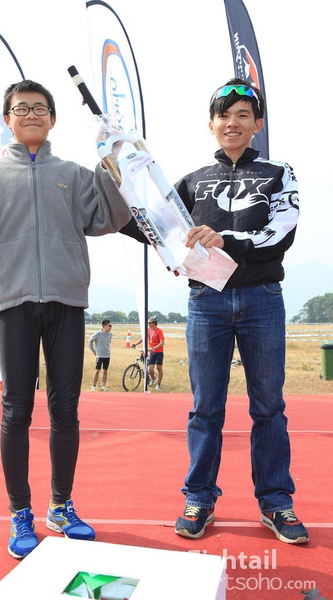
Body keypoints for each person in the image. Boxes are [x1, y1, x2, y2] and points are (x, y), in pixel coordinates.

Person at [0, 80, 131, 559]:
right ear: (7, 119)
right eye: (20, 108)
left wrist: (111, 167)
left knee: (66, 410)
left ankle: (61, 506)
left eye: (39, 108)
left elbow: (109, 219)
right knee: (16, 411)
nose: (30, 114)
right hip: (13, 303)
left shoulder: (74, 173)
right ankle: (20, 512)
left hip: (67, 300)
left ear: (53, 119)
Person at [173, 78, 308, 545]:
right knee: (204, 408)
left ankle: (276, 502)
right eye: (224, 115)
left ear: (257, 124)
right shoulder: (191, 181)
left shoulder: (279, 173)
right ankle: (199, 498)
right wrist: (119, 179)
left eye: (242, 116)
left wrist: (226, 240)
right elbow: (157, 227)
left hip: (262, 299)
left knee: (269, 407)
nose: (232, 123)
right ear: (210, 124)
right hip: (205, 301)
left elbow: (282, 232)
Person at [134, 316, 165, 390]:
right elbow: (143, 339)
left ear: (154, 323)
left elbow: (162, 343)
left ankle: (159, 384)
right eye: (148, 323)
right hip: (152, 352)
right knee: (150, 369)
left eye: (150, 323)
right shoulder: (148, 330)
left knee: (159, 368)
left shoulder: (159, 331)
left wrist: (154, 348)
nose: (148, 324)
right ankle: (153, 377)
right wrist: (135, 344)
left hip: (159, 352)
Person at [88, 319, 112, 391]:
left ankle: (103, 385)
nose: (110, 327)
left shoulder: (110, 334)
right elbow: (90, 341)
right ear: (104, 326)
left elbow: (108, 343)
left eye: (111, 326)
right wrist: (94, 351)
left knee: (105, 371)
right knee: (97, 370)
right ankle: (93, 385)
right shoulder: (98, 333)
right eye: (109, 326)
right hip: (99, 355)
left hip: (107, 355)